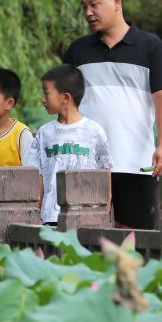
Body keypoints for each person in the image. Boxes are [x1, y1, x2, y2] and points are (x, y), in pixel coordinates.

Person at [63, 0, 162, 230]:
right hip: (87, 160)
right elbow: (66, 103)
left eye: (94, 4)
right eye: (84, 6)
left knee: (133, 236)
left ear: (116, 1)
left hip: (135, 159)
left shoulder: (151, 46)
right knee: (86, 233)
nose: (88, 13)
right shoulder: (77, 50)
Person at [31, 64, 113, 224]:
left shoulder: (94, 131)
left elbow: (105, 173)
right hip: (51, 218)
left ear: (66, 97)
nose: (43, 99)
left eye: (47, 93)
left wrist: (105, 210)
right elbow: (38, 177)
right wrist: (36, 214)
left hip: (88, 216)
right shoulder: (44, 133)